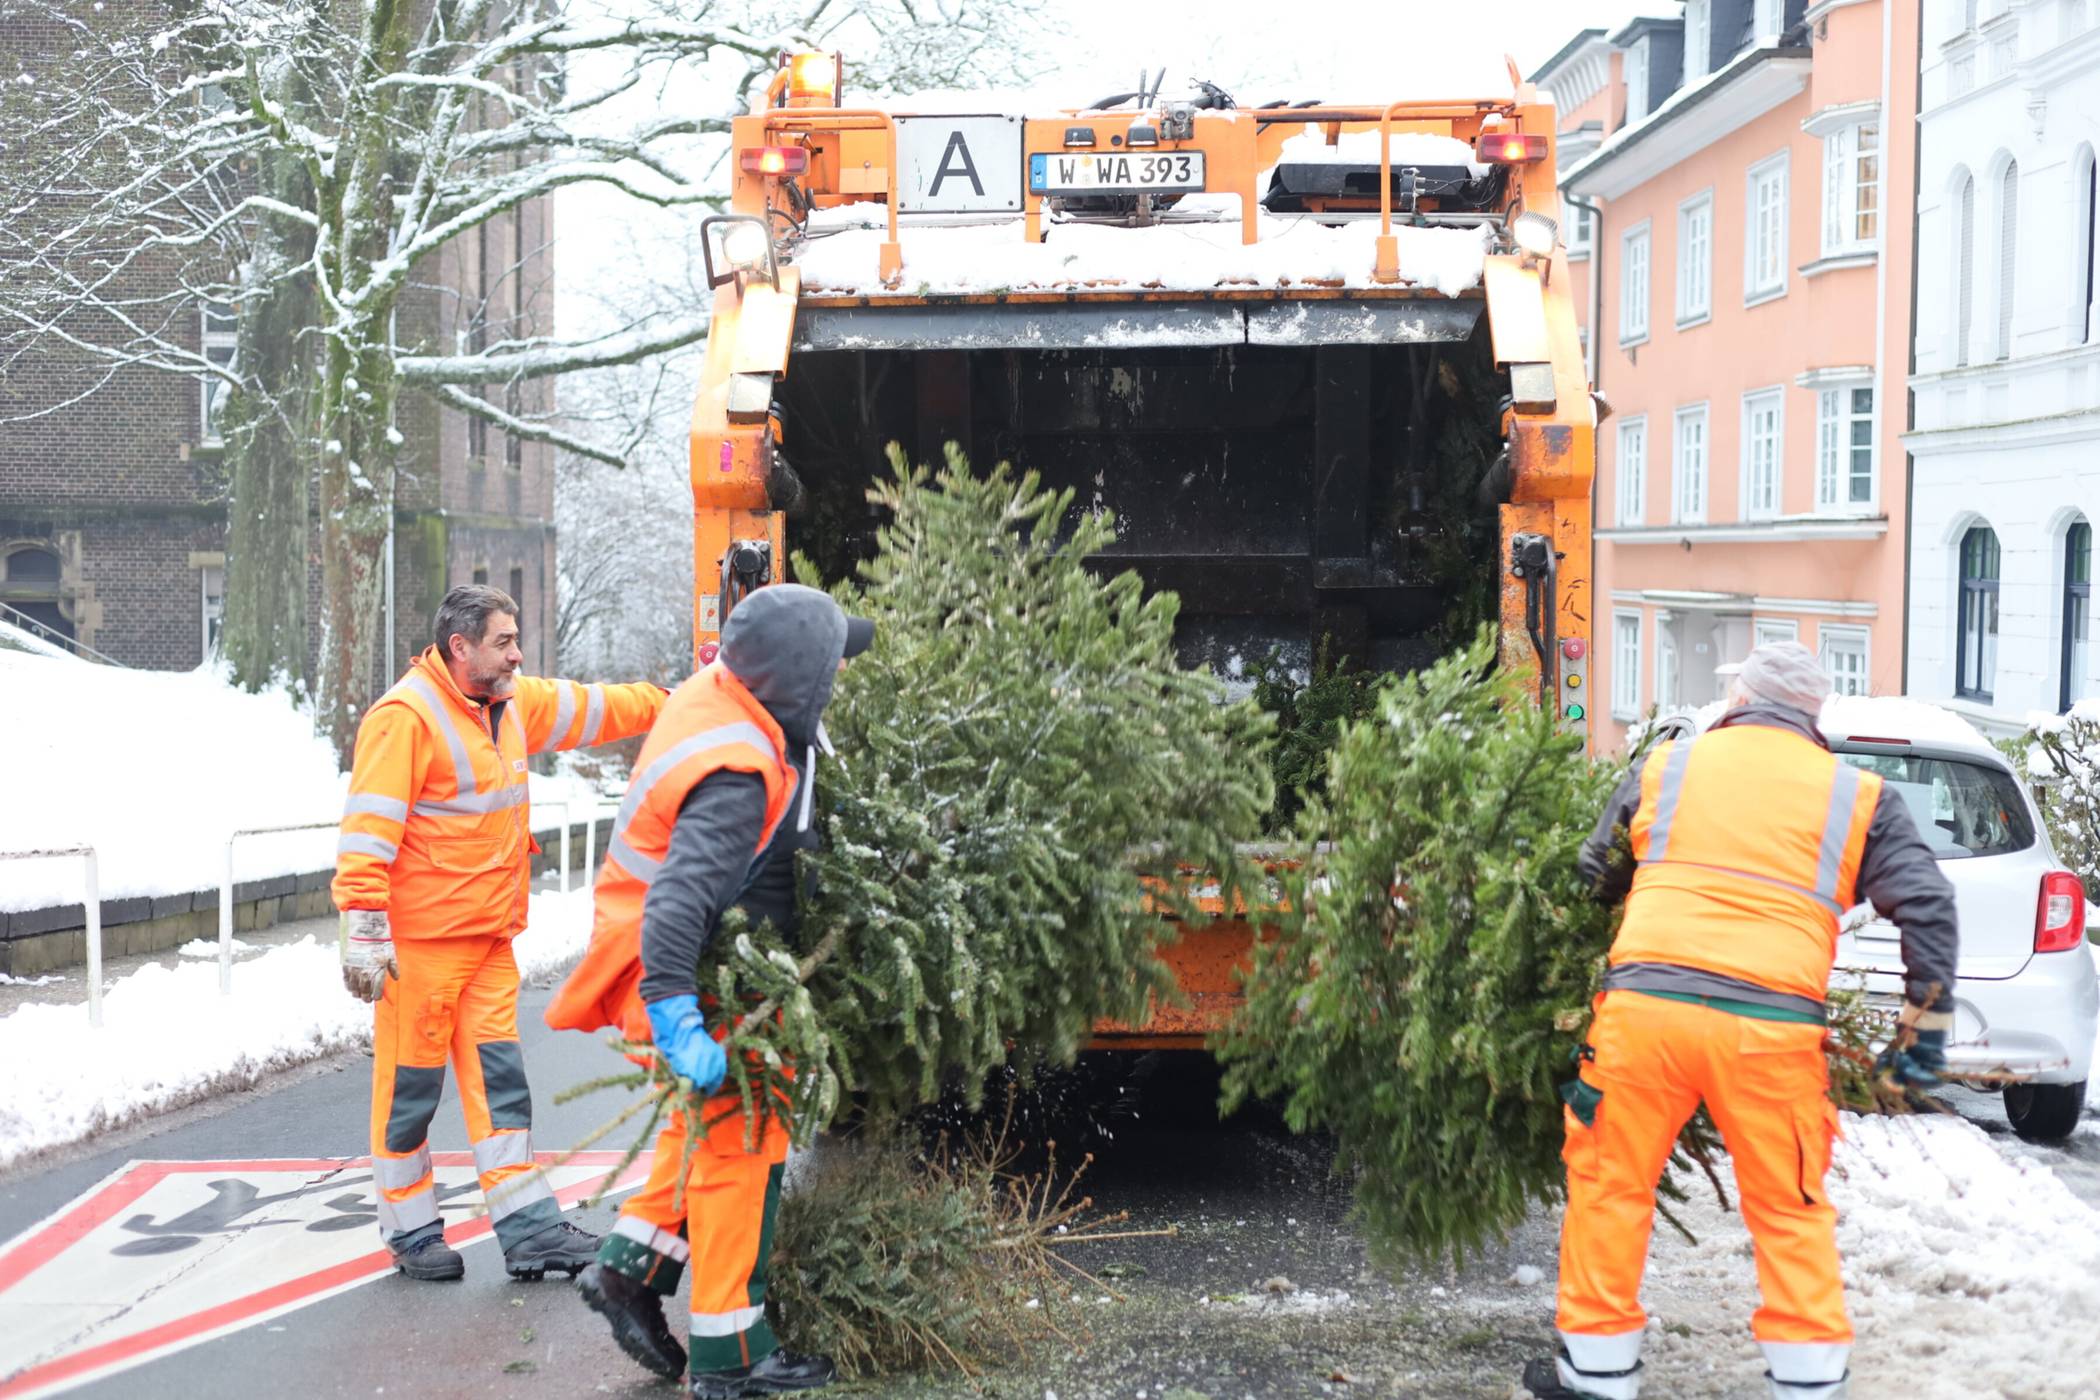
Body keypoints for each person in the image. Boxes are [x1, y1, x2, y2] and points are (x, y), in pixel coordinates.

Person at [1523, 642, 1959, 1400]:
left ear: (1737, 703)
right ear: (1813, 716)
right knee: (1789, 1206)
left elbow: (1595, 874)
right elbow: (1929, 904)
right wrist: (1921, 1032)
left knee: (1609, 1185)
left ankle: (1596, 1377)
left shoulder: (1669, 766)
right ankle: (1808, 1386)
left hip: (1645, 1018)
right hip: (1770, 1032)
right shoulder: (1857, 795)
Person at [548, 583, 872, 1399]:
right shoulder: (737, 770)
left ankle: (627, 1272)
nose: (840, 676)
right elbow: (681, 895)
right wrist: (675, 1008)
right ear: (799, 679)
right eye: (832, 665)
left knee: (706, 1131)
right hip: (697, 970)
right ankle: (733, 1356)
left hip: (718, 959)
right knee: (741, 1148)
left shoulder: (732, 697)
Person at [333, 584, 669, 1282]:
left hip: (488, 940)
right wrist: (364, 927)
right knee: (410, 1092)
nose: (518, 653)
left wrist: (681, 700)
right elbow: (368, 831)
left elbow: (597, 707)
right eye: (504, 641)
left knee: (503, 1091)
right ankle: (410, 1228)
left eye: (516, 640)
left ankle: (530, 1230)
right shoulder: (406, 718)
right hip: (422, 952)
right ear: (461, 647)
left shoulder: (511, 705)